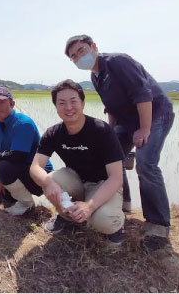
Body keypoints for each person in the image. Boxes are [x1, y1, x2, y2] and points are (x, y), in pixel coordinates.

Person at [65, 35, 175, 251]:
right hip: (126, 120)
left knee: (146, 163)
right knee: (111, 156)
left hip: (155, 113)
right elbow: (111, 107)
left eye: (81, 50)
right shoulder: (95, 76)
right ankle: (124, 204)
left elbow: (143, 94)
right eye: (74, 56)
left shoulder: (118, 62)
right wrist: (110, 134)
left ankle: (158, 224)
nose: (79, 57)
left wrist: (144, 129)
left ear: (94, 47)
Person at [30, 80, 126, 248]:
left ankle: (116, 226)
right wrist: (48, 183)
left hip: (104, 185)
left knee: (104, 221)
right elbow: (35, 167)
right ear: (56, 107)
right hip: (77, 183)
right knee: (51, 178)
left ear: (82, 103)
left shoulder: (102, 130)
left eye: (73, 101)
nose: (68, 107)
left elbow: (116, 178)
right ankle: (67, 217)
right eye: (62, 103)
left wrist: (90, 206)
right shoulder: (54, 133)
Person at [0, 85, 53, 216]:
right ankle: (17, 198)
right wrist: (2, 182)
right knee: (5, 197)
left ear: (12, 103)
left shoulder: (23, 123)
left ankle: (27, 205)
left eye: (2, 102)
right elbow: (0, 156)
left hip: (40, 176)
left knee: (3, 167)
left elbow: (17, 156)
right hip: (19, 170)